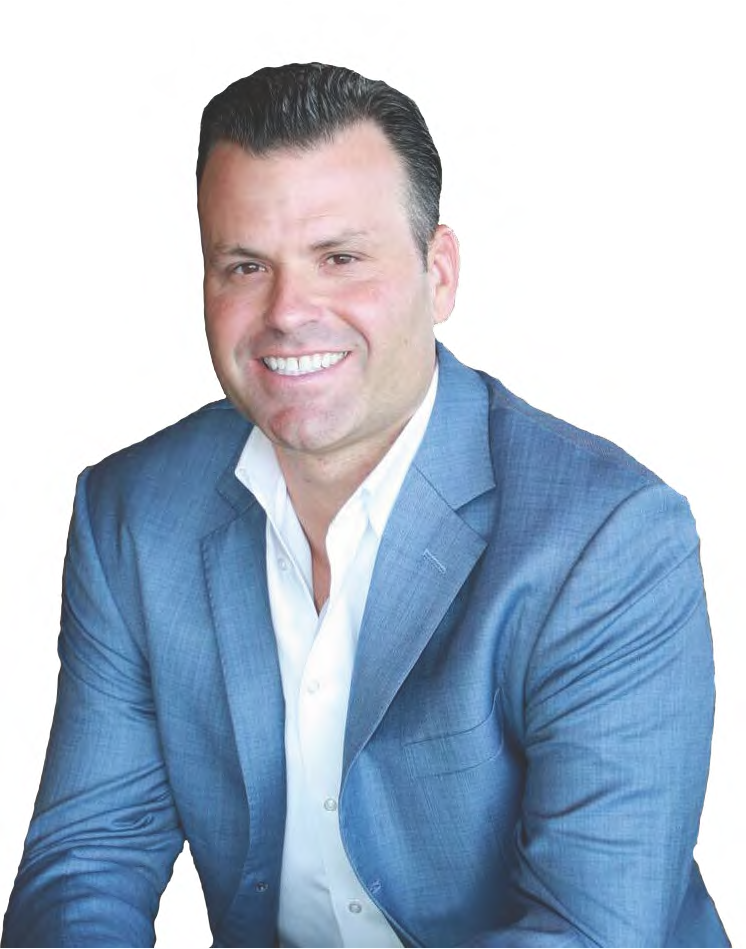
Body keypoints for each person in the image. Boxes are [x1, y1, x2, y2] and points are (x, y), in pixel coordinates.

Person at [1, 62, 730, 949]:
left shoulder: (607, 540)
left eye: (340, 258)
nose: (287, 312)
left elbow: (588, 932)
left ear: (441, 272)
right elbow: (88, 863)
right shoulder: (132, 515)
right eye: (244, 265)